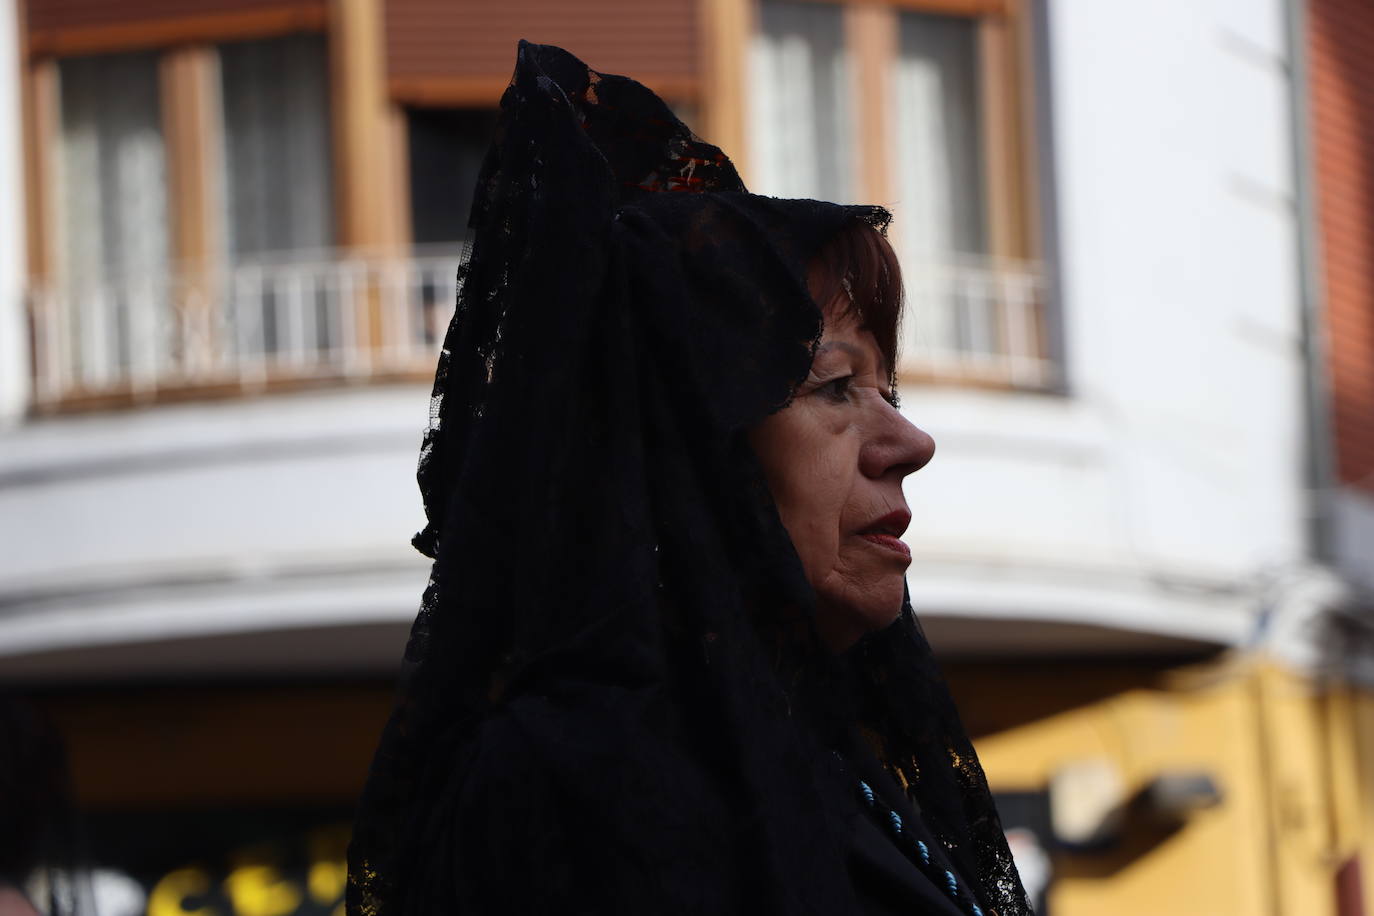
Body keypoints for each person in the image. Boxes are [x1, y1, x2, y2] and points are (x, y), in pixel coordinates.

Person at [348, 41, 1031, 916]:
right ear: (692, 449)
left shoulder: (819, 758)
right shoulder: (580, 781)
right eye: (834, 386)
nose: (910, 441)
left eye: (888, 390)